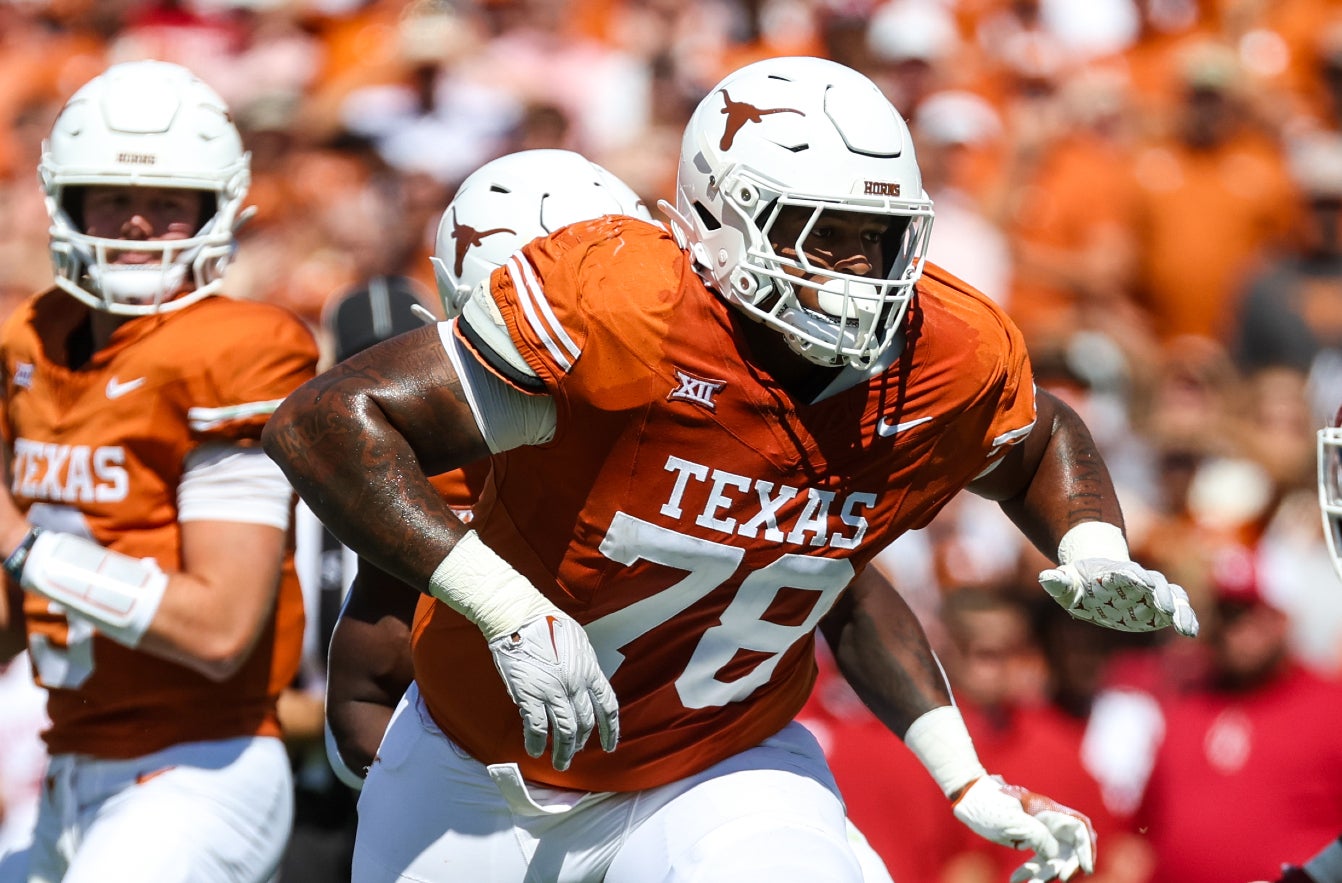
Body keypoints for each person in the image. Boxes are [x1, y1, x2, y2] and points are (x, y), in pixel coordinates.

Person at [263, 56, 1198, 883]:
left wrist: (1093, 541)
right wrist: (505, 607)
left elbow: (1013, 449)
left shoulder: (939, 349)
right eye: (818, 232)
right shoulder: (623, 311)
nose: (856, 270)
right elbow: (323, 425)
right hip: (480, 776)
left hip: (721, 765)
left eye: (873, 236)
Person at [0, 60, 318, 883]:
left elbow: (219, 630)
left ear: (215, 211)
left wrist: (21, 547)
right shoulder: (31, 340)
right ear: (65, 201)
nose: (136, 223)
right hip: (66, 767)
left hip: (197, 764)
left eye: (168, 203)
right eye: (110, 196)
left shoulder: (241, 349)